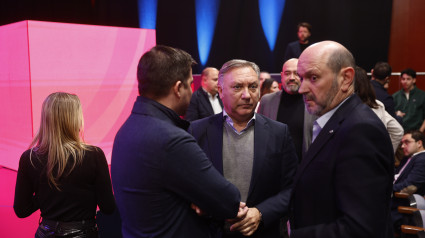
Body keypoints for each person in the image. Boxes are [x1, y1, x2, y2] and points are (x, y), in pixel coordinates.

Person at [111, 46, 245, 237]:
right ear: (178, 88)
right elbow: (229, 201)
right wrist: (205, 203)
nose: (192, 91)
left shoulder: (126, 129)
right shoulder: (170, 139)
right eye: (190, 84)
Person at [291, 41, 394, 237]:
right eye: (301, 78)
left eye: (313, 77)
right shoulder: (335, 120)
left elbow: (361, 229)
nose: (302, 88)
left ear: (346, 78)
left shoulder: (360, 130)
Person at [189, 59, 298, 237]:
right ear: (220, 91)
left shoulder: (279, 132)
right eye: (237, 87)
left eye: (253, 87)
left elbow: (291, 188)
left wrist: (261, 213)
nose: (247, 95)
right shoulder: (197, 131)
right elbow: (187, 183)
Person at [14, 92, 115, 238]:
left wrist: (44, 194)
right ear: (76, 119)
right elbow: (108, 207)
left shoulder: (29, 158)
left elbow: (21, 210)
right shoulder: (94, 155)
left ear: (46, 119)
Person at [258, 58, 316, 161]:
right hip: (273, 169)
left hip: (304, 169)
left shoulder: (315, 101)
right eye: (287, 73)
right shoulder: (266, 101)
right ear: (281, 76)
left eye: (296, 73)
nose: (291, 78)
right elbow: (259, 135)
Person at [355, 66, 403, 152]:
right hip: (374, 159)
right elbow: (398, 130)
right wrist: (386, 156)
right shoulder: (378, 104)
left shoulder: (343, 106)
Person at [391, 131, 425, 233]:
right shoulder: (408, 158)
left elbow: (410, 187)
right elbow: (396, 177)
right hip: (394, 200)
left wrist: (385, 189)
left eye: (407, 142)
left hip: (404, 206)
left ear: (419, 143)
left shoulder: (422, 160)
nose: (402, 146)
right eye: (402, 143)